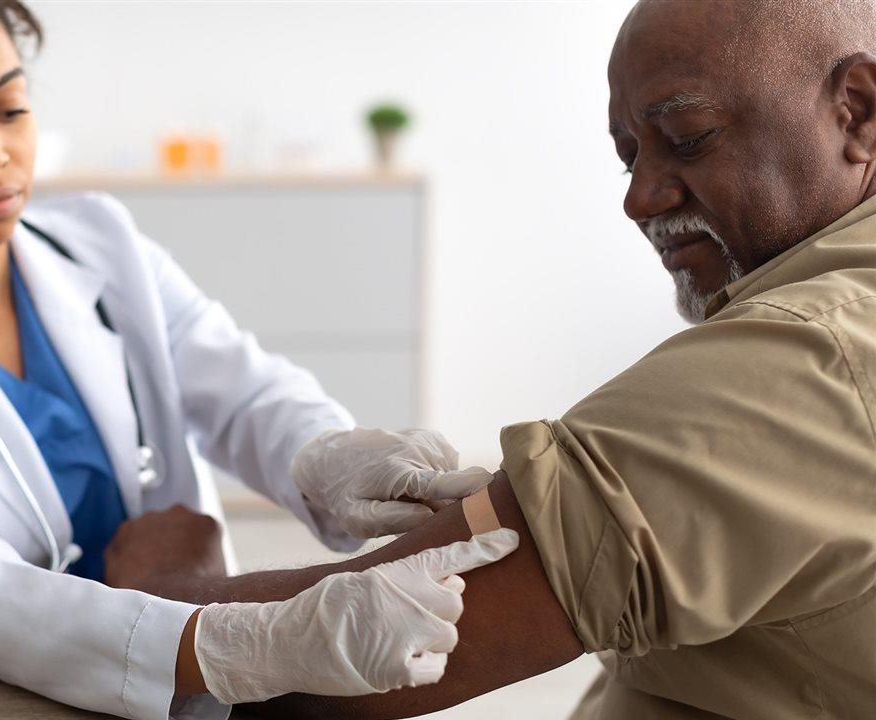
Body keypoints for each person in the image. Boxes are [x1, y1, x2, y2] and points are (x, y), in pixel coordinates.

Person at [0, 2, 518, 718]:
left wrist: (327, 457)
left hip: (189, 647)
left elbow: (237, 388)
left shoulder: (100, 244)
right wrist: (249, 644)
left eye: (9, 106)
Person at [104, 1, 876, 717]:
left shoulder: (811, 353)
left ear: (860, 113)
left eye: (688, 139)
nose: (639, 198)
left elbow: (353, 664)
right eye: (628, 155)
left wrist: (156, 589)